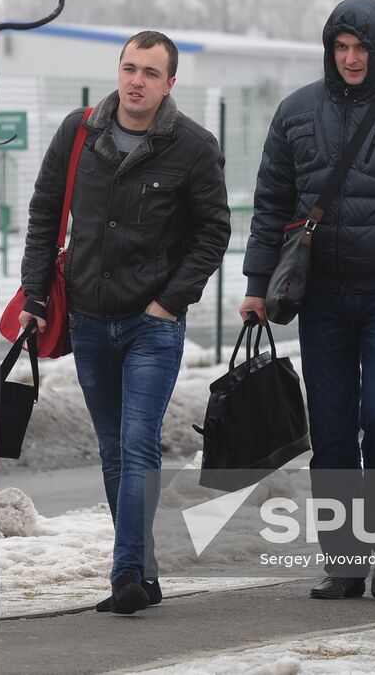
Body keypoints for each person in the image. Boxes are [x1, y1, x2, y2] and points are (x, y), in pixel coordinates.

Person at [239, 0, 375, 602]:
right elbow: (271, 203)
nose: (351, 59)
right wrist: (256, 286)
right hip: (320, 293)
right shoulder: (296, 112)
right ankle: (344, 562)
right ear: (330, 49)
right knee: (331, 427)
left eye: (362, 48)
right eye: (341, 47)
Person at [19, 30, 231, 616]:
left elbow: (214, 231)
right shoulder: (79, 131)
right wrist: (36, 293)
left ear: (169, 84)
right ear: (118, 70)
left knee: (138, 445)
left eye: (150, 72)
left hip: (151, 326)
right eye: (129, 68)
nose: (136, 81)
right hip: (88, 320)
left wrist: (171, 301)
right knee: (114, 451)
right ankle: (145, 573)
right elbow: (44, 213)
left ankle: (125, 575)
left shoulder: (192, 146)